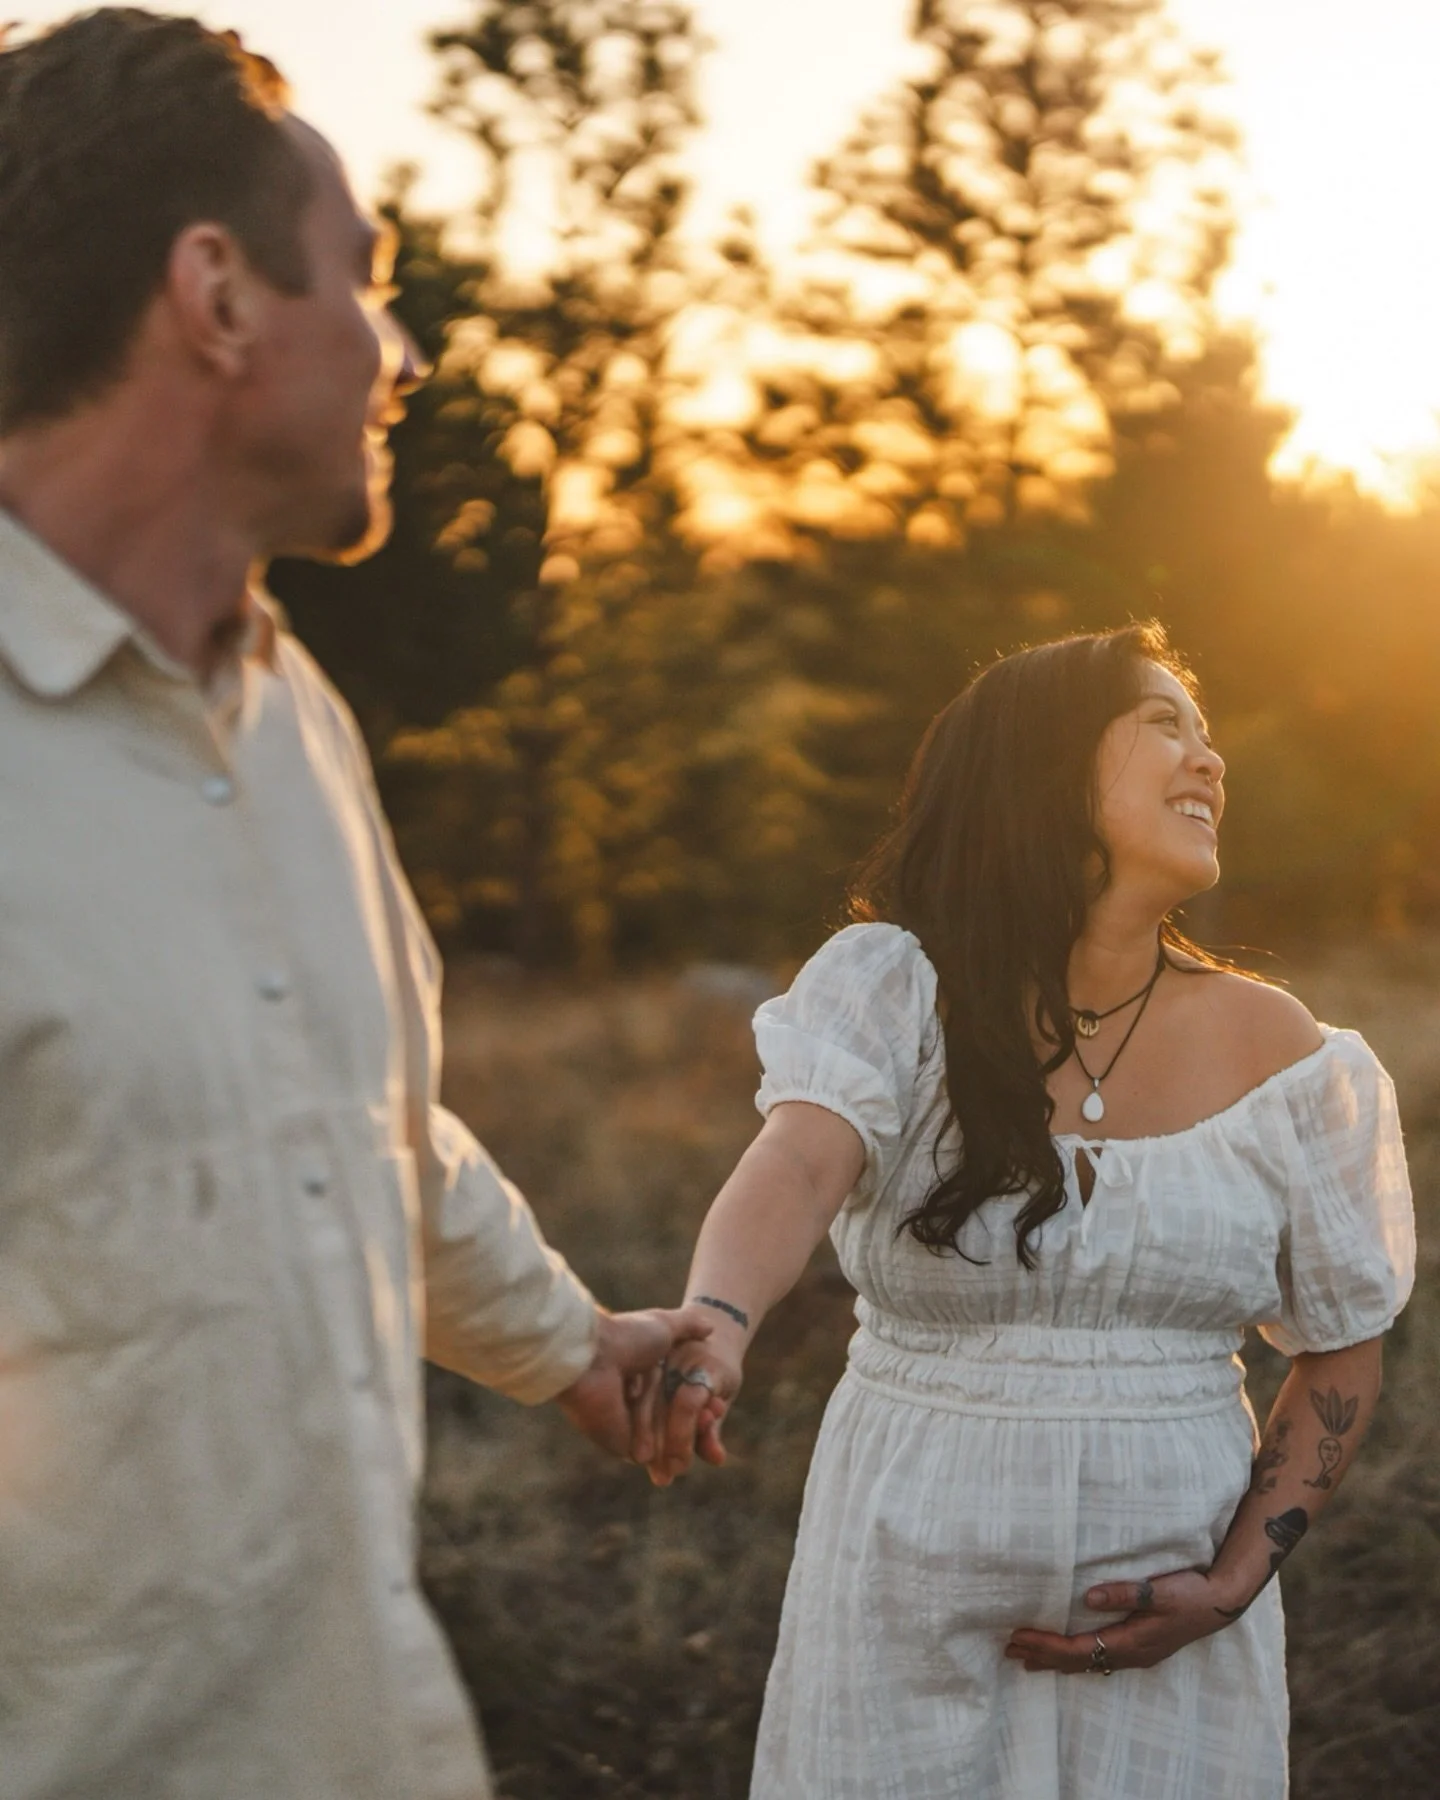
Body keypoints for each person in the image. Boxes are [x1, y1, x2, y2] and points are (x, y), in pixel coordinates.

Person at [0, 12, 707, 1799]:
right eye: (367, 286)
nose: (401, 356)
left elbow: (361, 1128)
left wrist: (572, 1350)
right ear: (217, 296)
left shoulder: (294, 717)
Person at [647, 624, 1416, 1798]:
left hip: (1168, 1633)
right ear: (1043, 763)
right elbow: (798, 1162)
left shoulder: (1284, 1050)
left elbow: (1342, 1345)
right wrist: (717, 1319)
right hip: (905, 1578)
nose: (1209, 762)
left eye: (1209, 739)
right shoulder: (898, 985)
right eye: (1164, 724)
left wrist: (1232, 1583)